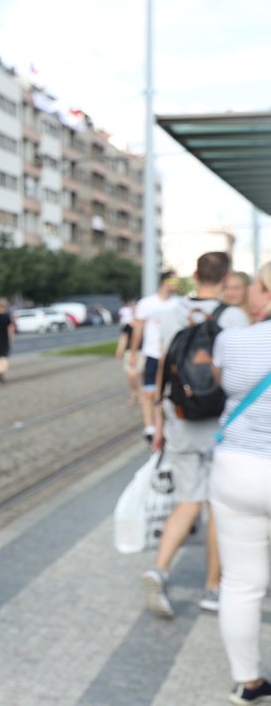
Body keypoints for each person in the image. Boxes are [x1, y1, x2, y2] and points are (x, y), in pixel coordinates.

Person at [141, 252, 248, 619]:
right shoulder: (233, 317)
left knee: (187, 501)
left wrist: (158, 421)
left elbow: (162, 368)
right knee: (217, 507)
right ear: (226, 278)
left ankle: (159, 569)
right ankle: (213, 588)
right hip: (219, 424)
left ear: (194, 275)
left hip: (179, 419)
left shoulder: (173, 313)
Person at [211, 262, 271, 704]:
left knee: (241, 583)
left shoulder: (231, 338)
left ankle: (247, 681)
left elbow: (223, 383)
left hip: (236, 468)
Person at [133, 270, 177, 441]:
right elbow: (138, 329)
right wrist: (134, 351)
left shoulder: (177, 304)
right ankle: (149, 427)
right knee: (148, 392)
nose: (176, 285)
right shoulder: (146, 303)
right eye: (174, 281)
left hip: (169, 354)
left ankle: (163, 425)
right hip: (151, 353)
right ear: (164, 282)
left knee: (166, 392)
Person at [115, 300, 141, 405]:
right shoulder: (128, 326)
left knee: (140, 375)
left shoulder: (144, 325)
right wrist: (119, 351)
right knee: (132, 374)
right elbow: (123, 339)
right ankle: (134, 392)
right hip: (130, 352)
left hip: (142, 352)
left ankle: (141, 395)